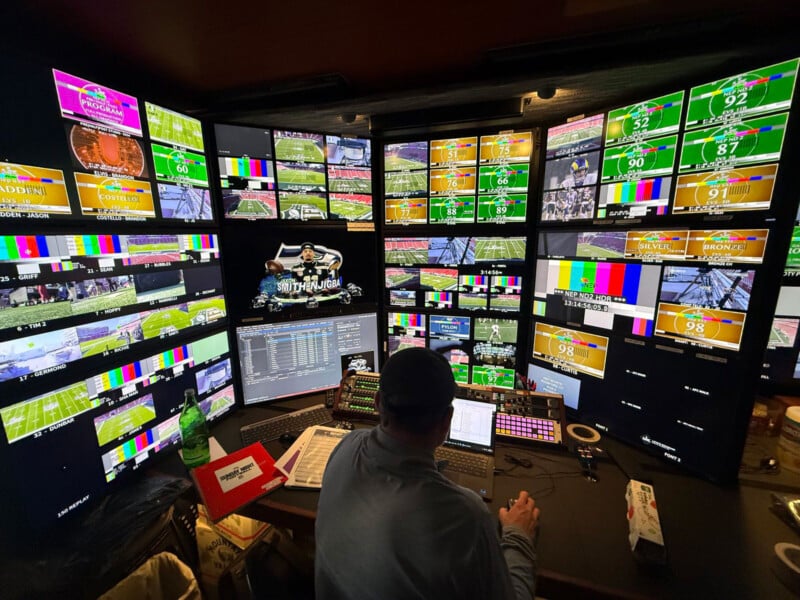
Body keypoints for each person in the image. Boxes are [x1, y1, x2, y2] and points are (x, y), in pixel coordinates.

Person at [315, 347, 539, 600]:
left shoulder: (347, 445)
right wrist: (518, 536)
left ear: (378, 403)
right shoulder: (466, 514)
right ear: (447, 420)